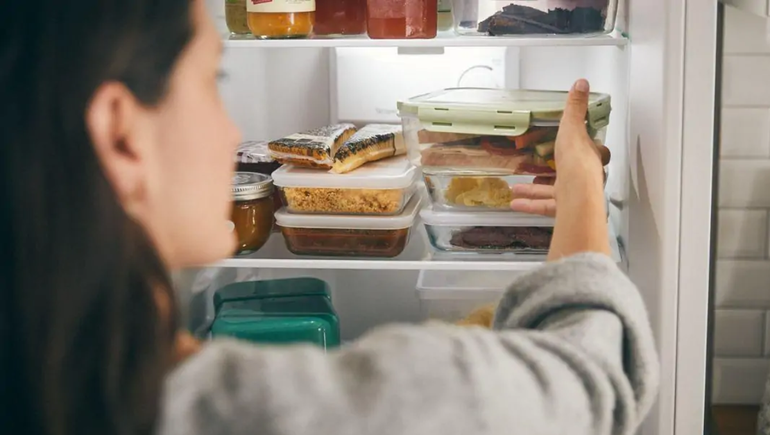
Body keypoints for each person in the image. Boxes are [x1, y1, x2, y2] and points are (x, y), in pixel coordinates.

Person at [0, 1, 659, 435]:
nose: (234, 131)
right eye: (211, 81)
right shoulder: (275, 409)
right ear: (122, 137)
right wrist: (577, 184)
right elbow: (591, 377)